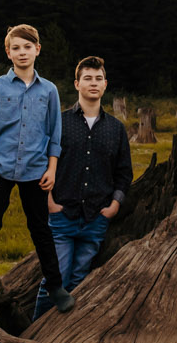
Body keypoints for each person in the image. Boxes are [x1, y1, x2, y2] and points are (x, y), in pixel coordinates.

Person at [0, 24, 66, 320]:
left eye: (27, 47)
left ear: (37, 49)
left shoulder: (50, 91)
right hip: (0, 169)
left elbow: (54, 133)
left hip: (36, 170)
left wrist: (52, 169)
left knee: (41, 230)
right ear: (8, 52)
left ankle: (56, 287)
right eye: (16, 48)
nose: (22, 52)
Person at [34, 55, 133, 320]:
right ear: (77, 84)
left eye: (98, 78)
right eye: (87, 78)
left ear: (105, 84)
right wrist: (48, 201)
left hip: (95, 219)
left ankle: (63, 342)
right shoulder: (59, 123)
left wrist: (115, 205)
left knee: (80, 283)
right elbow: (40, 164)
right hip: (62, 215)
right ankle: (31, 341)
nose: (93, 83)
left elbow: (124, 173)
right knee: (54, 282)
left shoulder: (116, 129)